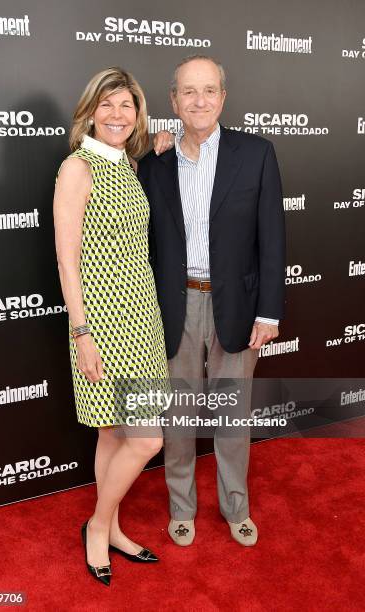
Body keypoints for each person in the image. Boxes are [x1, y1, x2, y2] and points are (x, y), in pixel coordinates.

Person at [139, 55, 286, 548]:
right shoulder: (153, 162)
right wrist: (148, 143)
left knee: (232, 416)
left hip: (238, 309)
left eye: (208, 90)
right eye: (188, 91)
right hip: (174, 307)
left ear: (222, 97)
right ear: (173, 101)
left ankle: (235, 506)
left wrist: (268, 311)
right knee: (176, 417)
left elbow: (273, 238)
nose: (198, 100)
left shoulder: (257, 153)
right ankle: (182, 508)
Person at [53, 67, 170, 586]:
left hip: (142, 318)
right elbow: (67, 261)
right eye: (108, 105)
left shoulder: (126, 164)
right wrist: (82, 334)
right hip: (100, 323)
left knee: (113, 432)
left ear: (138, 114)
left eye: (127, 106)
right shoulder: (77, 168)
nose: (118, 115)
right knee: (146, 440)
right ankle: (98, 525)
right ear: (90, 112)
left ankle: (112, 527)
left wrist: (158, 145)